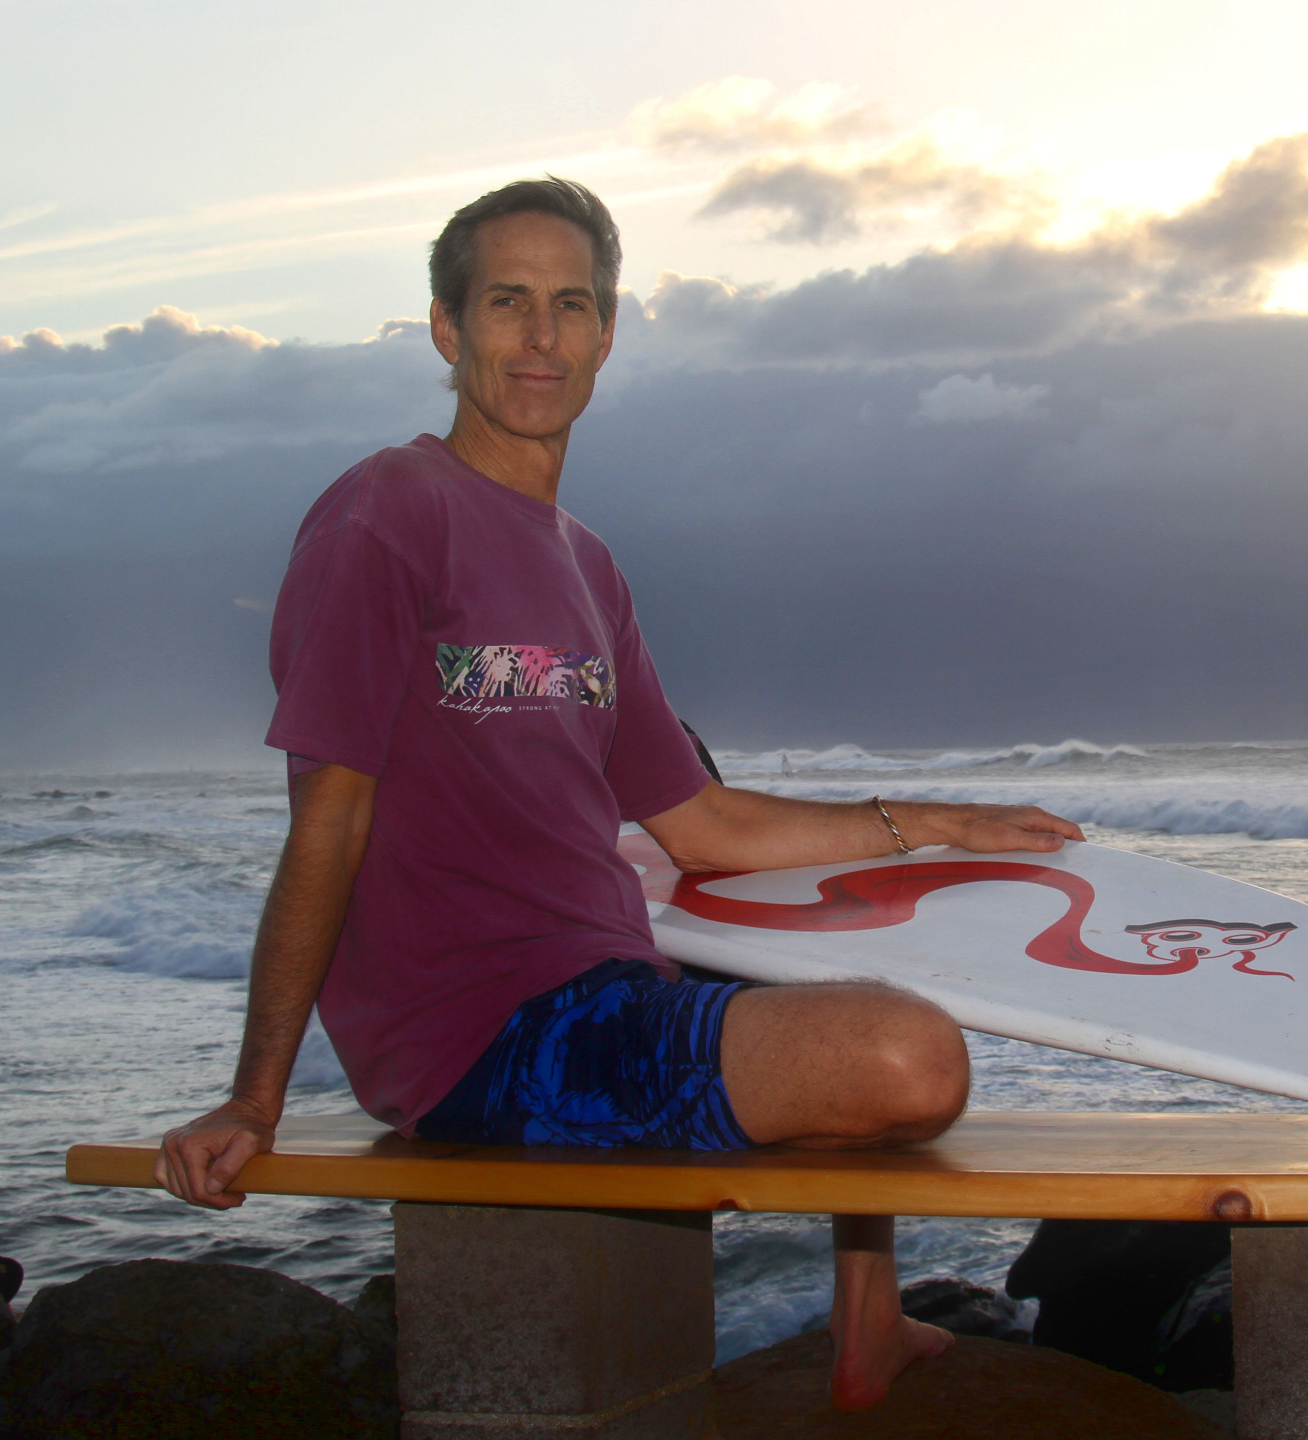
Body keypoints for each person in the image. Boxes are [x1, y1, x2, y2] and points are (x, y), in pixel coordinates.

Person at [154, 177, 1085, 1411]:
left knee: (827, 973)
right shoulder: (384, 516)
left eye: (572, 305)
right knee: (909, 1056)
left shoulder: (587, 563)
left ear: (605, 336)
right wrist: (256, 1095)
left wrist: (933, 824)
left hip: (606, 984)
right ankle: (861, 1311)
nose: (540, 336)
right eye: (507, 302)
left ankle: (867, 1320)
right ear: (445, 328)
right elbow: (331, 815)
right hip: (483, 1036)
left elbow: (702, 823)